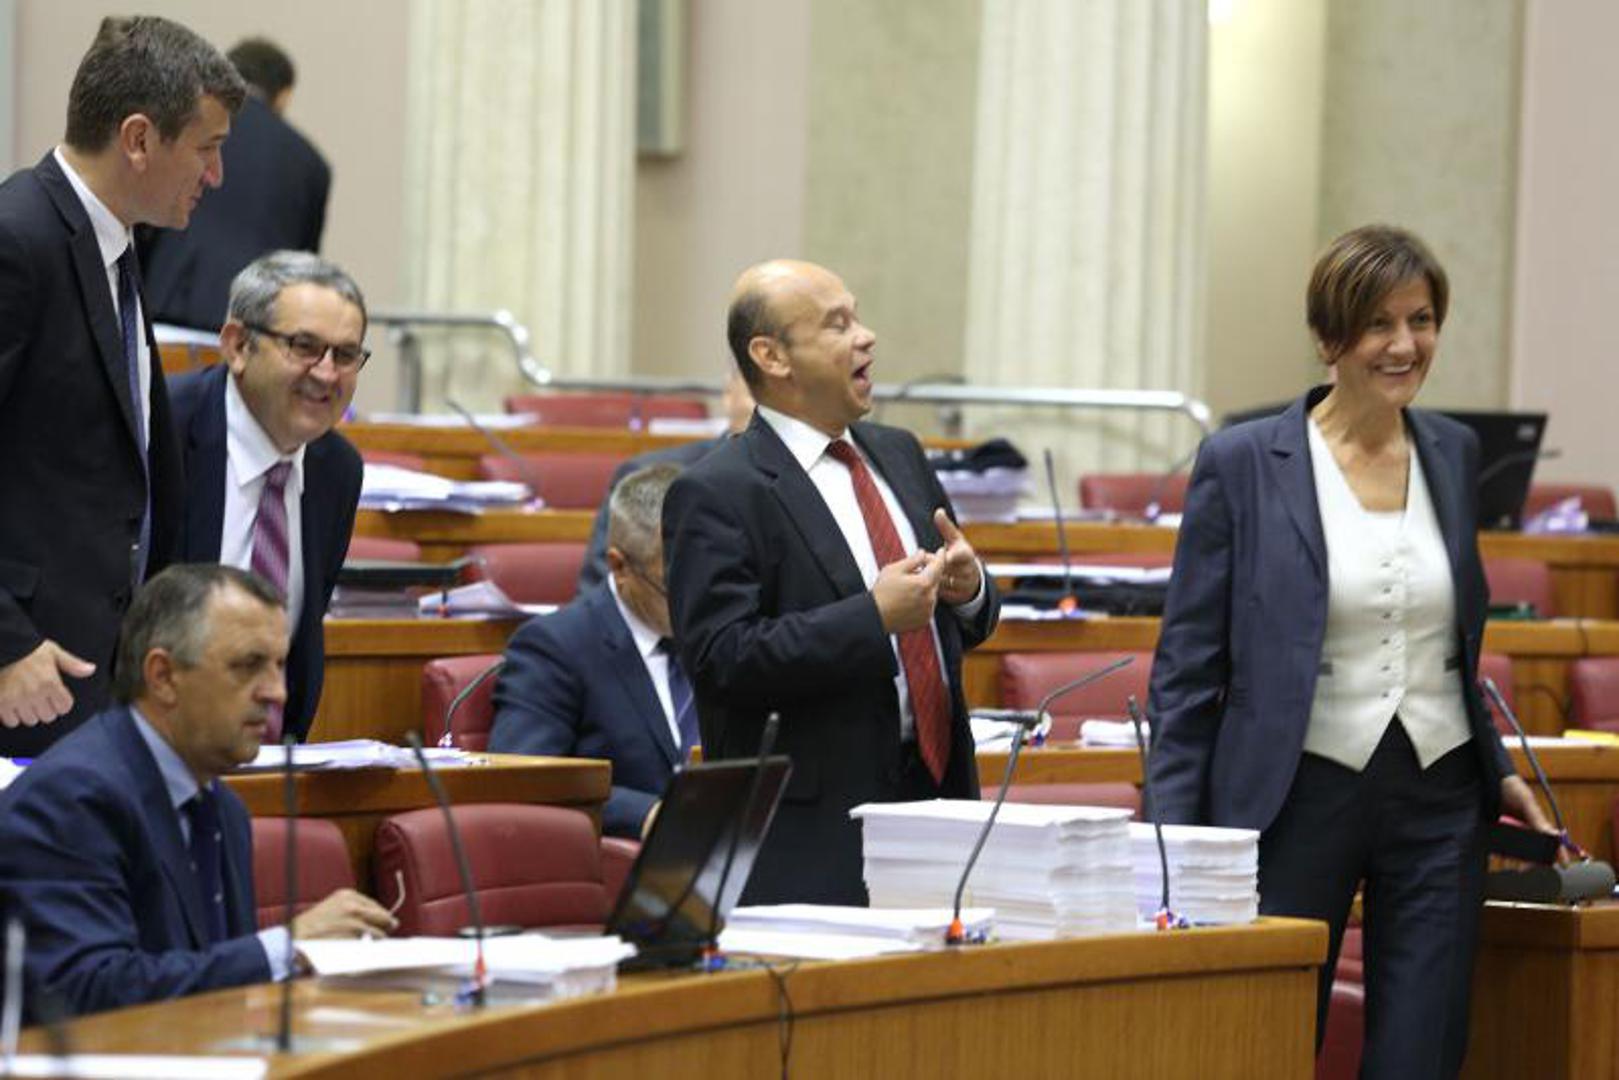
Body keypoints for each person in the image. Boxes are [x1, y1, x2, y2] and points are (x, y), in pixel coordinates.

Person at [1146, 225, 1554, 1077]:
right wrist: (1172, 840)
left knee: (1421, 1049)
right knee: (1263, 1040)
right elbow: (1186, 670)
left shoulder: (1451, 451)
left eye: (1420, 320)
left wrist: (1496, 767)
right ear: (1328, 337)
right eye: (1377, 324)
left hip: (1439, 791)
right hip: (1294, 790)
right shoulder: (1243, 462)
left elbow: (1450, 642)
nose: (1403, 345)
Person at [662, 259, 999, 905]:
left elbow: (958, 620)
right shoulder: (718, 491)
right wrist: (871, 618)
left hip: (939, 797)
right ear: (772, 356)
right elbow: (721, 658)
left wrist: (969, 591)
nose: (866, 336)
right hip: (812, 829)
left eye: (857, 317)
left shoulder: (899, 453)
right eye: (836, 325)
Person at [0, 17, 245, 756]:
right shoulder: (18, 239)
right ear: (138, 139)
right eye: (206, 148)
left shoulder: (116, 244)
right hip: (25, 677)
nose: (216, 175)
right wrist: (6, 643)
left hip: (97, 676)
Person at [0, 564, 396, 1020]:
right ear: (163, 676)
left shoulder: (223, 809)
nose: (277, 693)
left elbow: (214, 991)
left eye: (279, 666)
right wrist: (283, 949)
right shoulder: (70, 800)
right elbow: (87, 991)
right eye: (248, 665)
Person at [167, 252, 367, 743]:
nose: (327, 373)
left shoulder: (337, 470)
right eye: (304, 346)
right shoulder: (160, 428)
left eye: (345, 355)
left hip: (269, 759)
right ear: (238, 345)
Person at [492, 464, 690, 838]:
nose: (697, 601)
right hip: (626, 858)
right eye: (673, 587)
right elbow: (524, 778)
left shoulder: (727, 630)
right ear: (619, 567)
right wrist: (646, 814)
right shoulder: (555, 647)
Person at [139, 37, 332, 331]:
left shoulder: (187, 126)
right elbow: (300, 268)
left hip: (168, 305)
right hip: (253, 326)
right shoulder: (311, 163)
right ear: (284, 95)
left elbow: (146, 213)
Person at [576, 371, 755, 591]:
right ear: (729, 394)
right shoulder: (648, 475)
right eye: (760, 395)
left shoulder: (795, 483)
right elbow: (603, 590)